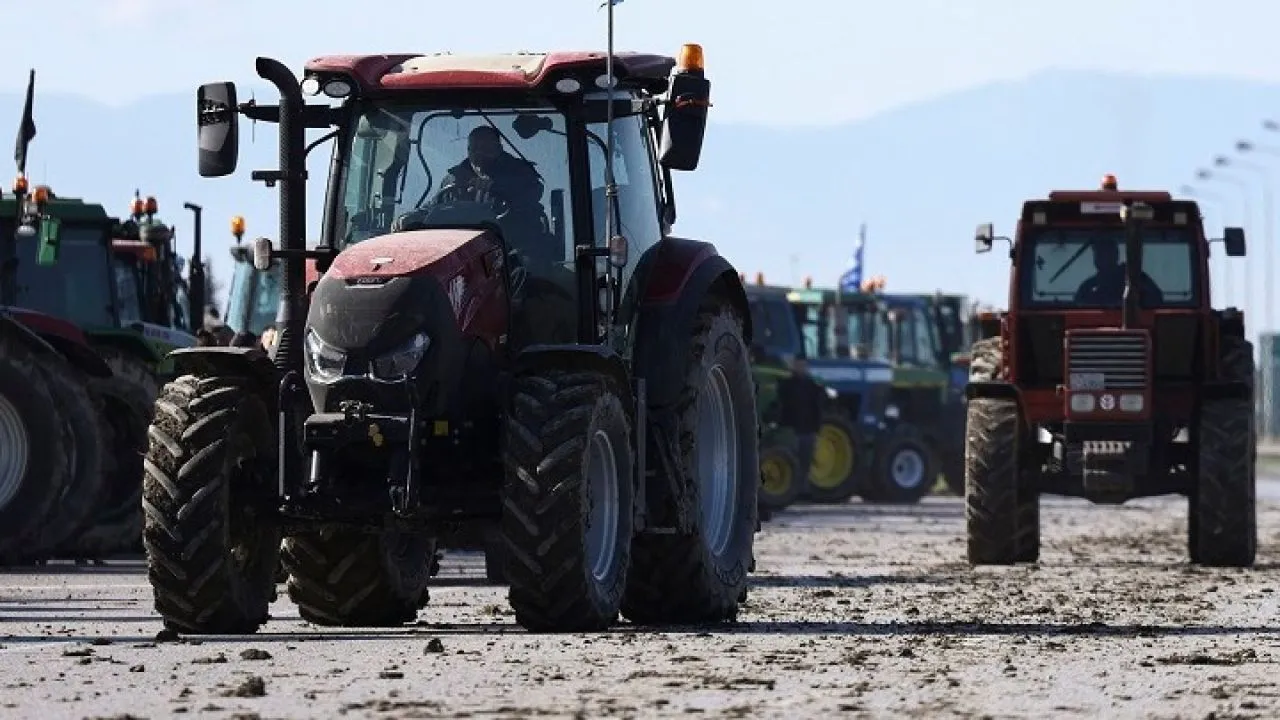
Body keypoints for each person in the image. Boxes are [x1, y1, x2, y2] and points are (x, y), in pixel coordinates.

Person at [435, 126, 544, 213]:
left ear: (499, 148)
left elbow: (533, 193)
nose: (479, 153)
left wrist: (495, 187)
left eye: (485, 148)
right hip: (463, 237)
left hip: (510, 238)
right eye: (474, 148)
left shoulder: (520, 172)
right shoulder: (453, 179)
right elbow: (434, 207)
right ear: (468, 151)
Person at [777, 356, 827, 488]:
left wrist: (817, 428)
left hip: (808, 429)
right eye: (798, 365)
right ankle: (790, 487)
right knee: (791, 459)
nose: (800, 368)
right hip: (791, 429)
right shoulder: (786, 385)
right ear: (794, 366)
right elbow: (781, 406)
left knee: (806, 459)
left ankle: (803, 487)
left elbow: (818, 407)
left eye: (803, 365)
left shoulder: (813, 386)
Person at [1074, 237, 1164, 305]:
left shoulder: (1135, 278)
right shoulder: (1088, 287)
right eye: (1098, 253)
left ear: (1115, 255)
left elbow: (1156, 299)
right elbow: (1077, 306)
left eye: (1106, 252)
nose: (1101, 257)